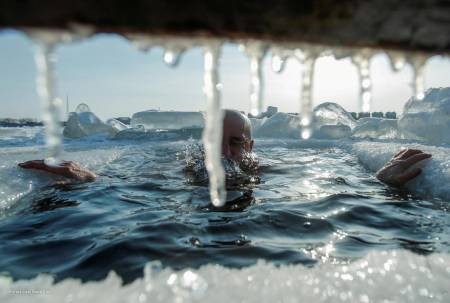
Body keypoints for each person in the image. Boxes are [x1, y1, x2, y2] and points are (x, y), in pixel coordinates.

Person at [18, 109, 431, 188]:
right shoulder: (187, 172)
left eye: (235, 143)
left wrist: (380, 182)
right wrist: (89, 178)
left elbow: (328, 183)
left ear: (250, 144)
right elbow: (133, 182)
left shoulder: (262, 172)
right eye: (215, 143)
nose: (225, 155)